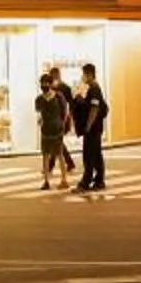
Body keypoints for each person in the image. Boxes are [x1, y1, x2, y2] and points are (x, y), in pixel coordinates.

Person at [34, 69, 74, 192]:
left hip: (57, 130)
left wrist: (63, 124)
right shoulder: (39, 99)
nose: (44, 86)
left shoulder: (58, 96)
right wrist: (40, 120)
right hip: (45, 130)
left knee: (60, 154)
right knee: (45, 155)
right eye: (42, 83)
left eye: (46, 83)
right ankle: (46, 181)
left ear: (51, 84)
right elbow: (39, 113)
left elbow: (65, 111)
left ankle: (64, 180)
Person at [74, 63, 110, 194]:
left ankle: (86, 182)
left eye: (84, 74)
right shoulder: (92, 88)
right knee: (96, 154)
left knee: (88, 155)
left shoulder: (94, 88)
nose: (83, 77)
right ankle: (99, 180)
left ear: (89, 74)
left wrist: (88, 126)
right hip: (96, 128)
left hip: (93, 128)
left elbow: (94, 109)